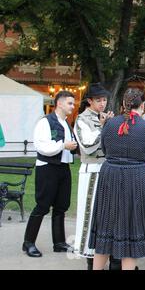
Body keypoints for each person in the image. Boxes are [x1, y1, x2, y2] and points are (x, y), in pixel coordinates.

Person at [89, 88, 145, 270]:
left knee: (105, 229)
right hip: (138, 179)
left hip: (111, 177)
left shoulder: (109, 124)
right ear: (143, 106)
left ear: (123, 105)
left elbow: (106, 151)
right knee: (131, 233)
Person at [22, 91, 78, 257]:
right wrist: (63, 145)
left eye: (73, 104)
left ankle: (59, 243)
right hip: (47, 168)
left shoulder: (67, 123)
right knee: (42, 206)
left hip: (63, 168)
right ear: (59, 103)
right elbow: (42, 147)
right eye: (70, 103)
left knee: (61, 206)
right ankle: (28, 243)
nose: (72, 106)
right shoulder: (45, 122)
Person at [73, 83, 114, 270]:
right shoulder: (82, 119)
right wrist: (104, 127)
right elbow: (88, 145)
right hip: (91, 171)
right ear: (90, 101)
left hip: (108, 170)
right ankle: (91, 258)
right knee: (89, 214)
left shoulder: (105, 117)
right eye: (99, 100)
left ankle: (110, 256)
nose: (102, 103)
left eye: (104, 100)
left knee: (107, 214)